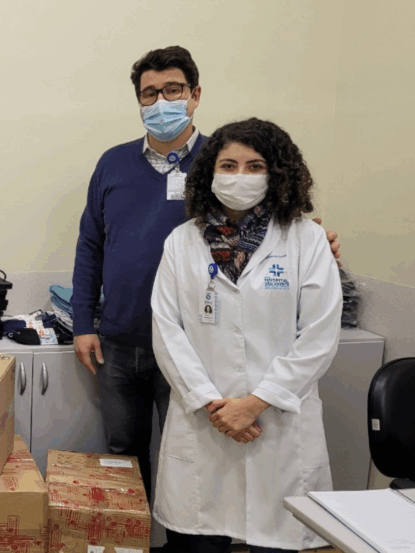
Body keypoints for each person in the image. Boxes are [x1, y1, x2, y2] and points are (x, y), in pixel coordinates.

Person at [70, 46, 341, 498]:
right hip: (120, 340)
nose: (160, 102)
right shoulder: (113, 163)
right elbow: (90, 245)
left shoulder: (224, 164)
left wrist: (314, 242)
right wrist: (83, 322)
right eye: (149, 93)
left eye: (172, 90)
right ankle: (129, 543)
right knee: (122, 452)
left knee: (199, 459)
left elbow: (273, 227)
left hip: (197, 347)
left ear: (195, 95)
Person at [151, 118, 342, 553]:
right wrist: (212, 405)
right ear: (210, 172)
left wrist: (255, 403)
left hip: (275, 422)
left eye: (255, 166)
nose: (240, 176)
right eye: (229, 164)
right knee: (198, 541)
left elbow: (318, 335)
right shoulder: (182, 242)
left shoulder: (306, 240)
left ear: (277, 174)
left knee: (277, 539)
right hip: (206, 422)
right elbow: (166, 328)